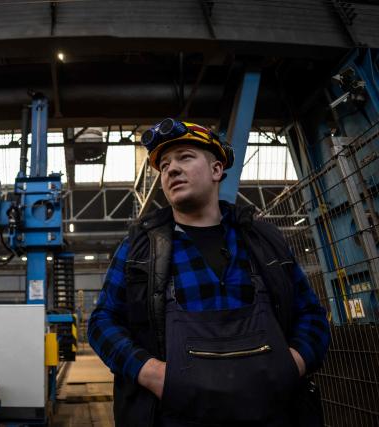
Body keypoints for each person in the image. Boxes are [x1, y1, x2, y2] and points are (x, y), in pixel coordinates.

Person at [88, 118, 330, 426]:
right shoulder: (140, 248)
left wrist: (291, 364)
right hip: (176, 414)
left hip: (272, 411)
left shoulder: (263, 241)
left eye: (185, 157)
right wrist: (153, 374)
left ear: (217, 170)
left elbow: (310, 313)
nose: (171, 169)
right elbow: (102, 322)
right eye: (164, 165)